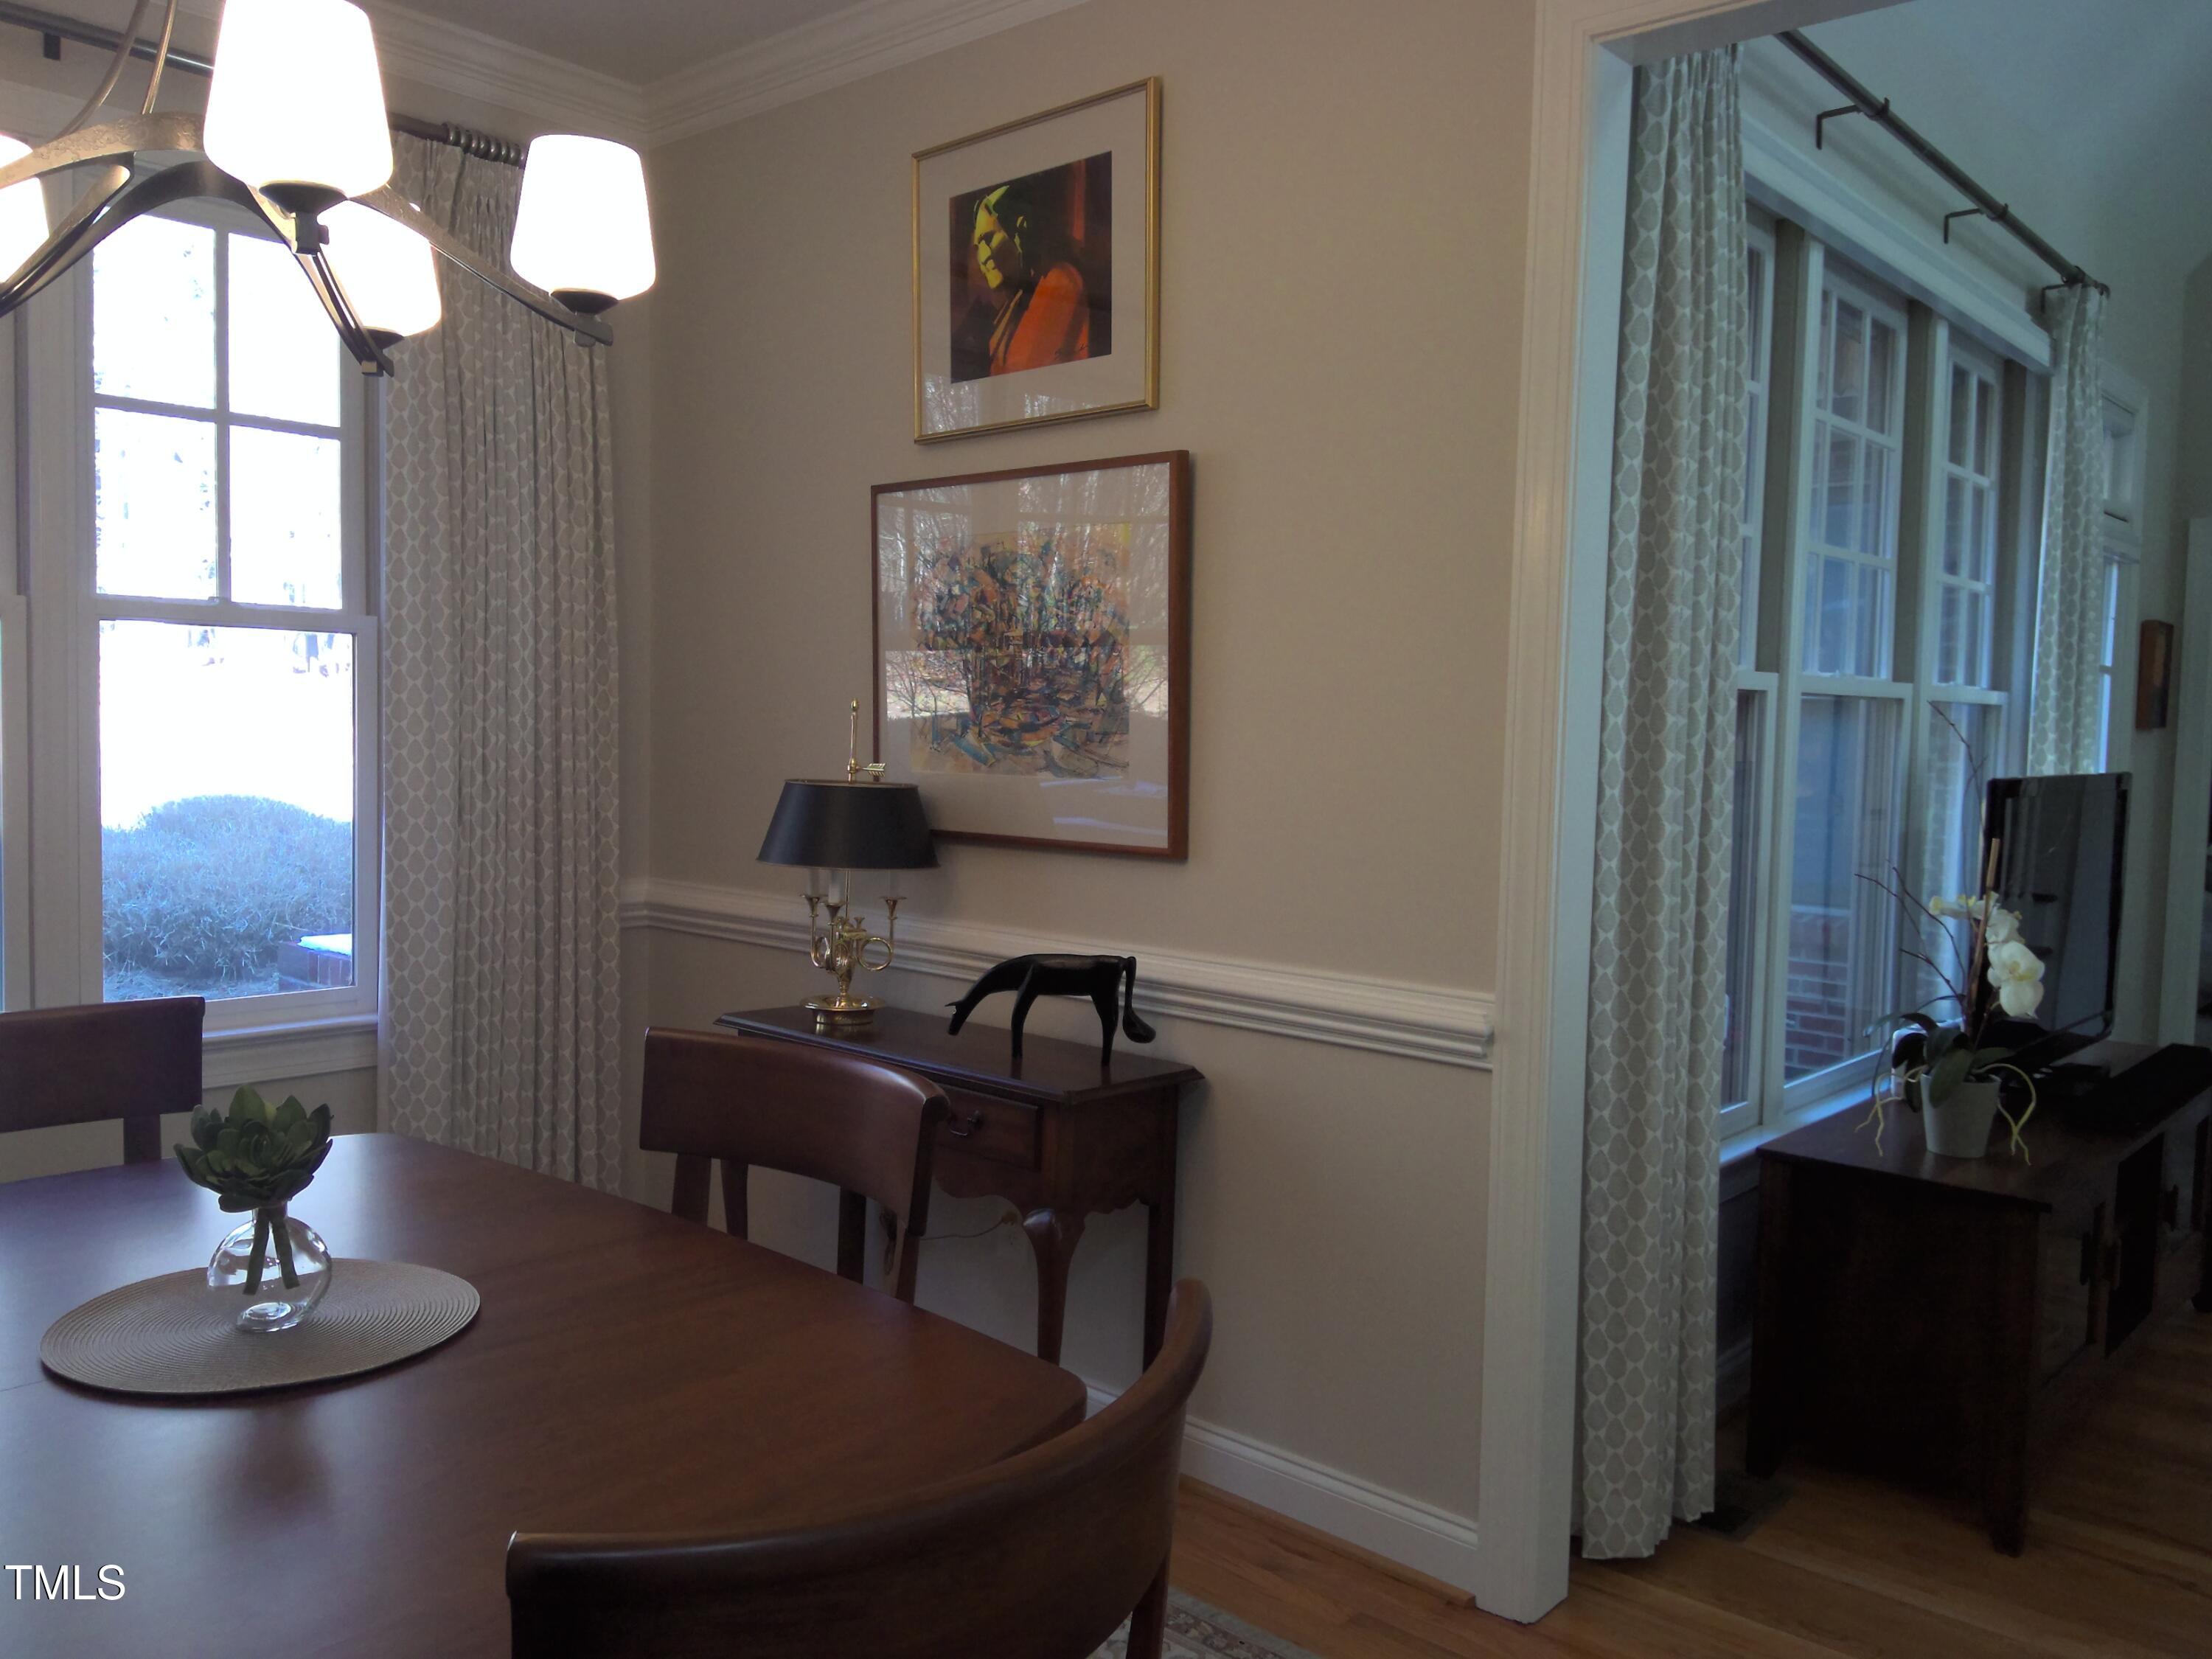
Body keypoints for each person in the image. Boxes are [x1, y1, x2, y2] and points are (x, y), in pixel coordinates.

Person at [969, 181, 1091, 376]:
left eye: (989, 238)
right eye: (978, 245)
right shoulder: (1018, 296)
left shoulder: (1058, 282)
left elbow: (1025, 372)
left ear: (1020, 228)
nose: (984, 257)